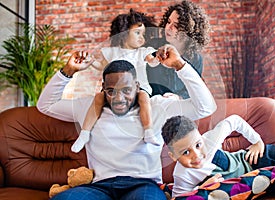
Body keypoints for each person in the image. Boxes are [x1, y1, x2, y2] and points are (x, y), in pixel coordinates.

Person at [37, 44, 217, 199]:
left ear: (137, 87)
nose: (118, 98)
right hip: (100, 187)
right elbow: (45, 105)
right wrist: (68, 71)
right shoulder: (90, 108)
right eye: (111, 91)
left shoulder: (158, 107)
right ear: (103, 89)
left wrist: (179, 65)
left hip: (143, 185)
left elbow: (205, 107)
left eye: (126, 90)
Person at [71, 9, 161, 153]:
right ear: (124, 33)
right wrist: (89, 61)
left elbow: (152, 61)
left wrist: (158, 58)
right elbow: (100, 66)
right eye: (137, 33)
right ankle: (84, 133)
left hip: (138, 89)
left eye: (143, 35)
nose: (141, 38)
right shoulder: (111, 52)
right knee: (99, 97)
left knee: (144, 98)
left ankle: (148, 131)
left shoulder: (143, 52)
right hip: (114, 90)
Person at [161, 115, 275, 198]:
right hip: (254, 178)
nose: (196, 155)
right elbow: (180, 198)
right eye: (186, 152)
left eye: (198, 145)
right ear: (173, 156)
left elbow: (234, 120)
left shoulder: (209, 139)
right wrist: (200, 189)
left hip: (252, 158)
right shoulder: (182, 175)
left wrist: (257, 141)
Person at [146, 0, 211, 99]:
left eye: (176, 26)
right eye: (168, 22)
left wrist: (179, 97)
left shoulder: (196, 59)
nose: (168, 27)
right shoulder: (152, 46)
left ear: (189, 31)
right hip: (153, 106)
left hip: (179, 108)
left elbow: (193, 88)